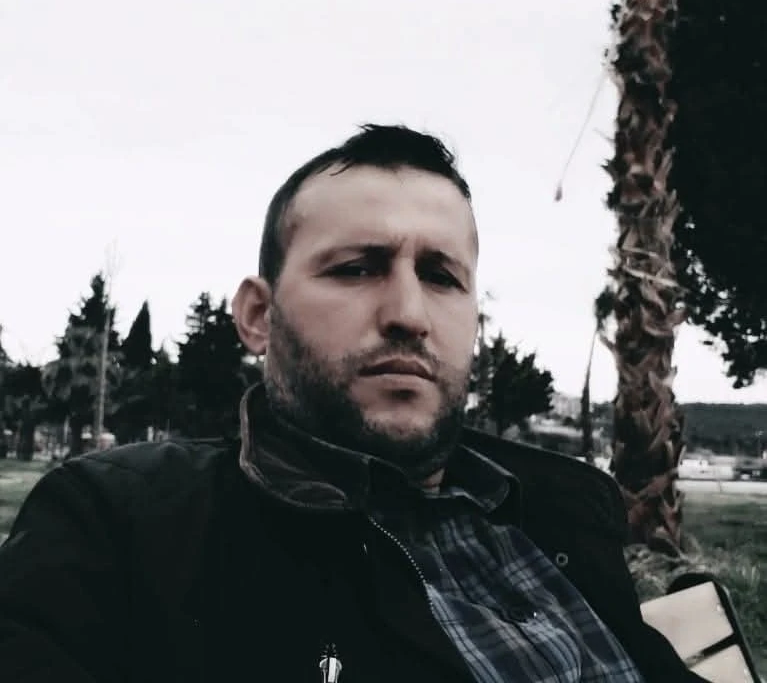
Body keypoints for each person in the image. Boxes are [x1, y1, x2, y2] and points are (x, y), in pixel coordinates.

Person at [0, 124, 705, 683]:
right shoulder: (121, 525)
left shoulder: (559, 511)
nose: (408, 314)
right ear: (258, 316)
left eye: (441, 277)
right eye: (356, 268)